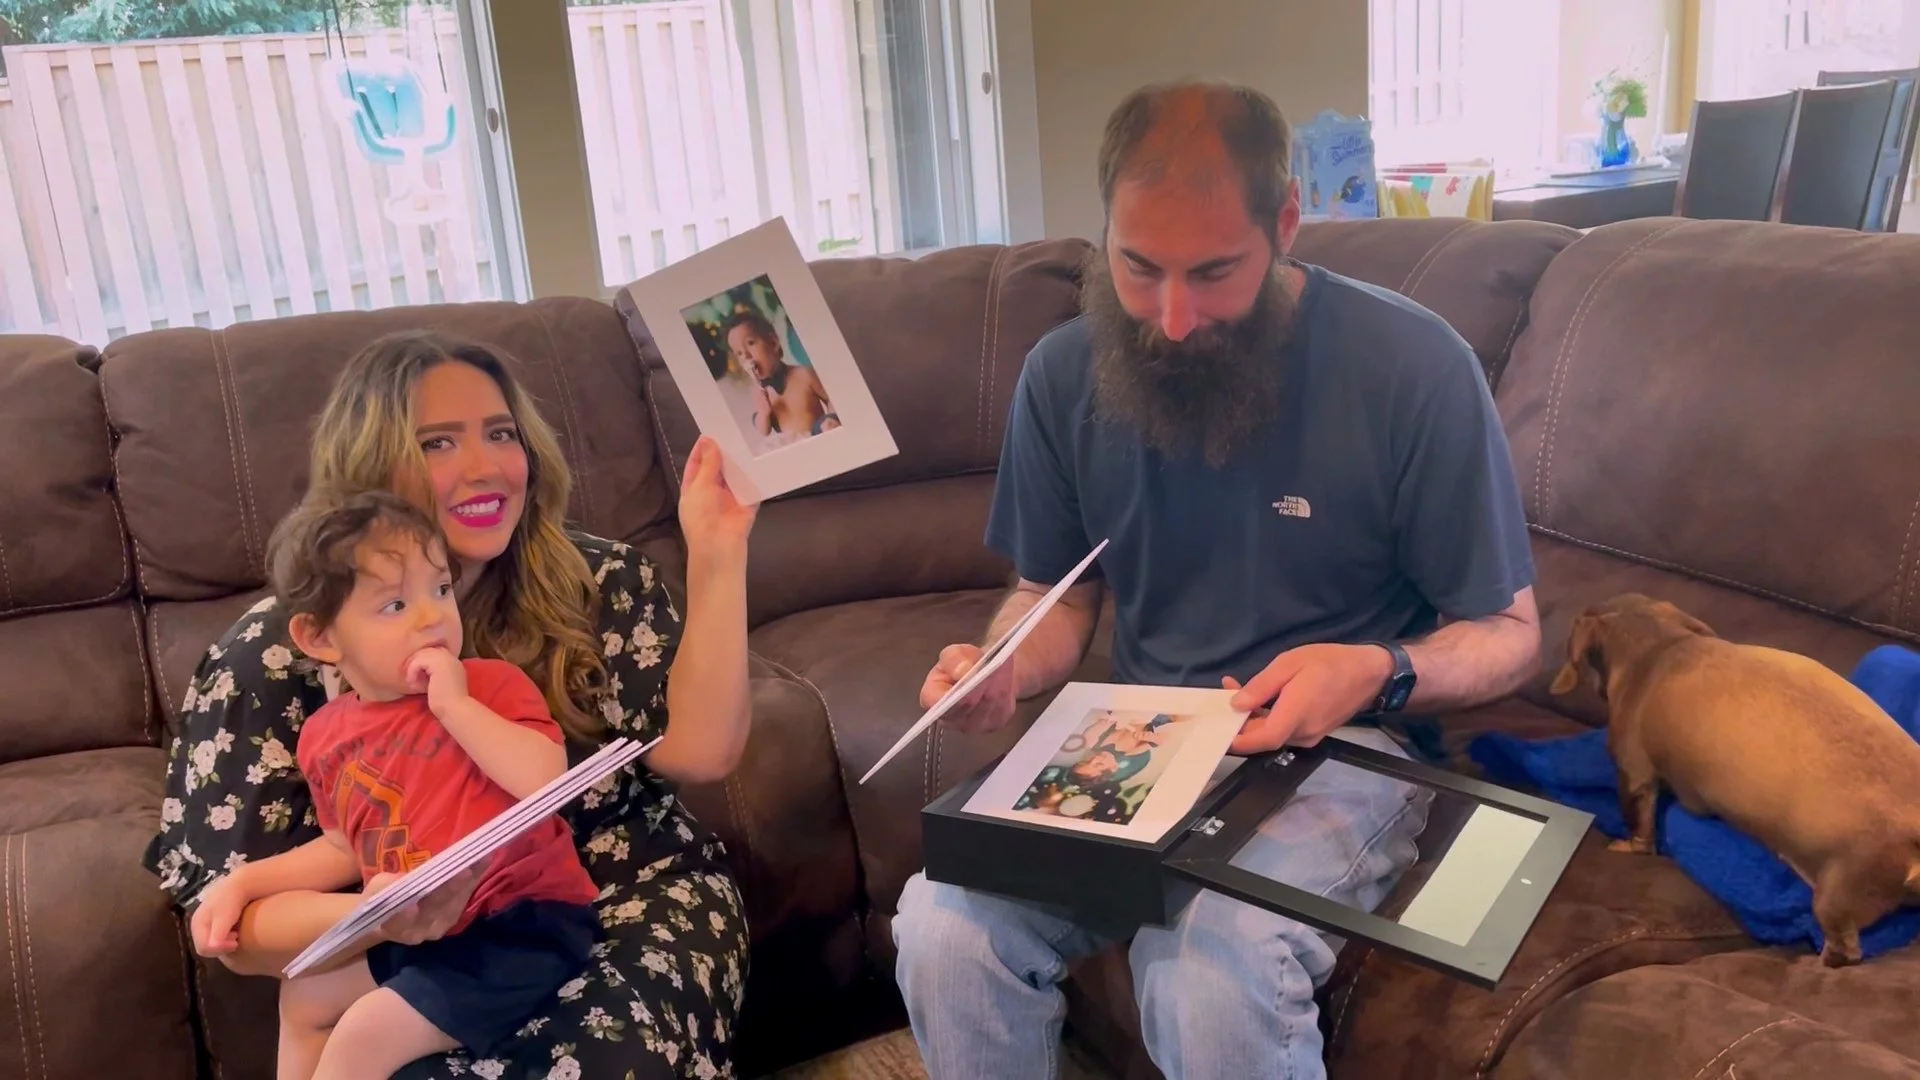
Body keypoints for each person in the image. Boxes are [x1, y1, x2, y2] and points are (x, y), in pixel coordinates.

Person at [891, 79, 1542, 1080]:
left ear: (1286, 223)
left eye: (1214, 273)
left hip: (1345, 748)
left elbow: (1507, 632)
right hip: (1141, 740)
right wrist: (1006, 666)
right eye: (1138, 267)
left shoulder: (1414, 368)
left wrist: (1373, 669)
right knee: (941, 923)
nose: (1173, 319)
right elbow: (1056, 595)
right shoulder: (1065, 373)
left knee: (1210, 964)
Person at [142, 330, 758, 1079]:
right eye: (437, 443)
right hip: (404, 937)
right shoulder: (270, 657)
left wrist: (717, 552)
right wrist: (380, 918)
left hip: (628, 898)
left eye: (502, 434)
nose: (485, 466)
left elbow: (701, 752)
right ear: (369, 471)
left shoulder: (596, 578)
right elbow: (241, 930)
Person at [190, 489, 604, 1078]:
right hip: (425, 932)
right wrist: (243, 883)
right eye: (394, 606)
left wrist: (455, 707)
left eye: (440, 590)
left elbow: (545, 780)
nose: (433, 615)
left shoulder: (489, 686)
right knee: (305, 996)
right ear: (322, 639)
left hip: (523, 923)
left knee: (364, 1031)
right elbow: (342, 848)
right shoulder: (325, 737)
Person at [728, 309, 837, 443]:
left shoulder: (804, 374)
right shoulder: (759, 394)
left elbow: (832, 398)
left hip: (818, 438)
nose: (746, 355)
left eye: (750, 343)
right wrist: (763, 413)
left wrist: (831, 418)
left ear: (773, 343)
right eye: (739, 353)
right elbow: (764, 430)